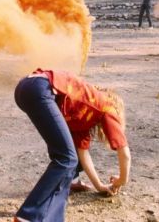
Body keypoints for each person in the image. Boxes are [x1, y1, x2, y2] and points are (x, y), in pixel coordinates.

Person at [14, 69, 131, 222]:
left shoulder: (83, 114)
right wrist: (122, 180)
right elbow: (124, 152)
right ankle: (28, 216)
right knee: (66, 158)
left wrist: (99, 185)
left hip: (25, 88)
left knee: (68, 155)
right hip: (39, 87)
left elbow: (83, 155)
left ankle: (70, 184)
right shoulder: (107, 106)